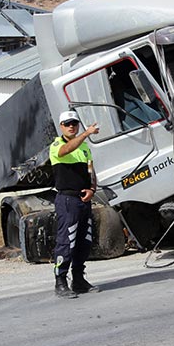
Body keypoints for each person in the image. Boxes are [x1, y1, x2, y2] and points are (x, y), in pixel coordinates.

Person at [49, 110, 100, 298]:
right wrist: (86, 133)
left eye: (74, 123)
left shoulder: (84, 148)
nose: (72, 126)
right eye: (67, 123)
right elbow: (65, 151)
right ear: (61, 126)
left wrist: (92, 189)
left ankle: (79, 279)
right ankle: (60, 281)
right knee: (66, 241)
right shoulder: (56, 145)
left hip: (83, 200)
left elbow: (91, 171)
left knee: (84, 241)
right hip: (67, 200)